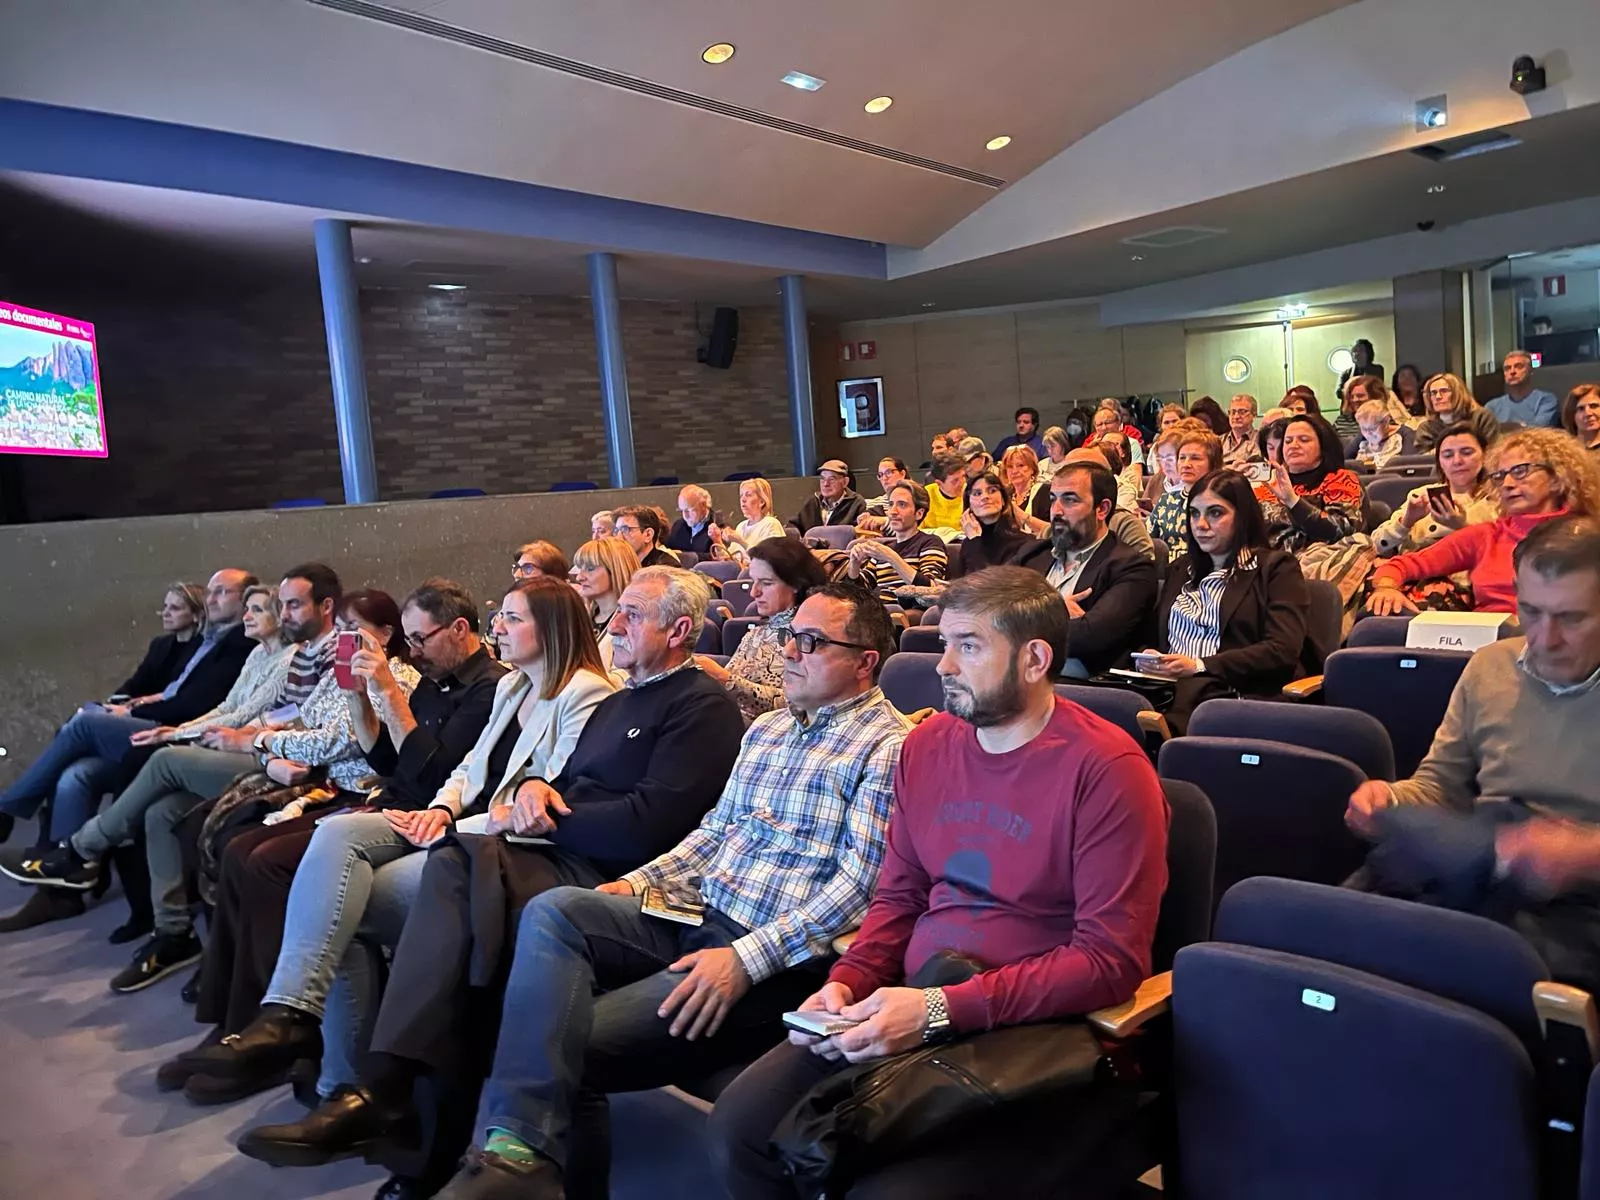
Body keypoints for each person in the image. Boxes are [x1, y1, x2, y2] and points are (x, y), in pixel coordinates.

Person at [266, 585, 912, 1196]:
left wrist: (743, 959)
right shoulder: (770, 729)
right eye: (790, 636)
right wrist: (634, 884)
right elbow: (714, 833)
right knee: (556, 911)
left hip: (765, 954)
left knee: (556, 1036)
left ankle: (512, 1157)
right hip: (691, 912)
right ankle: (468, 1138)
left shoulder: (887, 747)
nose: (789, 652)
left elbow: (860, 886)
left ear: (865, 663)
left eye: (811, 642)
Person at [236, 567, 745, 1194]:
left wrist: (539, 815)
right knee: (450, 883)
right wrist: (533, 794)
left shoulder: (700, 706)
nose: (614, 623)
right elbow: (558, 783)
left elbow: (647, 826)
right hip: (546, 850)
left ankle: (392, 1100)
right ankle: (381, 1095)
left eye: (632, 614)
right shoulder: (619, 702)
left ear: (681, 630)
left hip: (607, 875)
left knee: (462, 902)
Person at [711, 566, 1169, 1199]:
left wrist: (937, 1009)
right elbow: (900, 896)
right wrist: (846, 983)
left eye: (969, 646)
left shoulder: (1108, 769)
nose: (944, 666)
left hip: (1039, 1036)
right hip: (917, 998)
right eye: (946, 644)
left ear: (1035, 659)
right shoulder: (926, 745)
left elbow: (1109, 962)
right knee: (741, 1129)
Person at [167, 577, 607, 1105]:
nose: (500, 627)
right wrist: (440, 806)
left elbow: (534, 798)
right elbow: (462, 771)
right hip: (433, 811)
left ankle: (339, 1082)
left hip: (497, 841)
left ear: (552, 627)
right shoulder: (515, 685)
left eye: (513, 618)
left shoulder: (572, 691)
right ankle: (287, 1012)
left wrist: (445, 817)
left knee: (322, 894)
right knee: (323, 837)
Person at [3, 566, 342, 984]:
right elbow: (245, 712)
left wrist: (214, 736)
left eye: (285, 606)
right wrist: (188, 732)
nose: (278, 614)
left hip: (277, 763)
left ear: (325, 607)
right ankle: (173, 931)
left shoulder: (314, 654)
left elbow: (288, 725)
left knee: (159, 759)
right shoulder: (280, 654)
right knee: (157, 811)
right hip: (258, 748)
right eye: (280, 605)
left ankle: (79, 850)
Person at [1346, 516, 1600, 991]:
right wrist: (1389, 798)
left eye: (1571, 618)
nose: (1545, 638)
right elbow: (1438, 785)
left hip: (1581, 903)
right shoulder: (1491, 666)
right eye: (1531, 611)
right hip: (1487, 866)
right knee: (1347, 932)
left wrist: (1585, 853)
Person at [0, 568, 257, 846]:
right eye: (209, 592)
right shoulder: (208, 640)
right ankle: (64, 858)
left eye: (221, 592)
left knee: (84, 723)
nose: (211, 599)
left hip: (178, 731)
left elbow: (197, 704)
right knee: (76, 774)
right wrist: (126, 704)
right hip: (163, 722)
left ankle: (8, 809)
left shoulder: (241, 643)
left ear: (245, 600)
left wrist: (133, 711)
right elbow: (160, 689)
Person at [1132, 470, 1315, 733]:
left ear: (1243, 517)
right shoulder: (1181, 569)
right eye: (1194, 513)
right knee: (1116, 701)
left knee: (1188, 695)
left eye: (1215, 513)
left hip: (1231, 689)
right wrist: (1149, 656)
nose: (1201, 524)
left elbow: (1281, 651)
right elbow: (1151, 637)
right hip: (1168, 686)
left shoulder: (1277, 569)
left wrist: (1199, 665)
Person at [1368, 427, 1600, 616]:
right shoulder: (1487, 535)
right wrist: (1386, 588)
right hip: (1489, 645)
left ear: (1558, 477)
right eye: (1500, 475)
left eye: (1520, 471)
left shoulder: (1590, 536)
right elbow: (1400, 565)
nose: (1507, 484)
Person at [1043, 462, 1158, 677]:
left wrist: (1014, 623)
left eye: (1069, 500)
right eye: (1053, 499)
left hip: (1077, 684)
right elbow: (986, 608)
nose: (1056, 511)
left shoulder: (1132, 568)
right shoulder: (1034, 553)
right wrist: (1051, 608)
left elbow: (1089, 638)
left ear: (1102, 509)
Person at [697, 537, 829, 723]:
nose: (754, 592)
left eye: (766, 583)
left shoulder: (812, 639)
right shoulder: (755, 634)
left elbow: (799, 706)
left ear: (796, 584)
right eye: (753, 581)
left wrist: (723, 678)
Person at [1372, 426, 1499, 559]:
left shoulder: (1498, 498)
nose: (1457, 461)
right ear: (1440, 462)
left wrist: (1461, 527)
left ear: (1485, 456)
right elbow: (1376, 546)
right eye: (1448, 455)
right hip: (1417, 566)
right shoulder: (1422, 495)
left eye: (1467, 453)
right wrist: (1406, 522)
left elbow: (1504, 553)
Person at [1252, 413, 1363, 555]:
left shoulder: (1341, 479)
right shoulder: (1272, 482)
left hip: (1318, 559)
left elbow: (1343, 530)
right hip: (1267, 560)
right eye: (1288, 441)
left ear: (1323, 446)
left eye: (1304, 440)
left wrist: (1293, 501)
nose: (1294, 445)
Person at [846, 481, 949, 604]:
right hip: (881, 610)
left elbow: (930, 589)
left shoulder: (930, 543)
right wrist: (854, 564)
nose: (893, 511)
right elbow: (858, 593)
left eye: (902, 505)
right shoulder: (884, 549)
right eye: (891, 504)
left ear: (919, 513)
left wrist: (891, 557)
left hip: (911, 610)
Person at [953, 470, 1051, 577]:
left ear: (1003, 499)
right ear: (969, 504)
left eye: (992, 490)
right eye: (977, 493)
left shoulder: (1024, 544)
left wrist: (974, 542)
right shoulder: (969, 543)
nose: (985, 497)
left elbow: (990, 583)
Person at [1149, 428, 1222, 555]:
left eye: (1195, 458)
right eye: (1182, 458)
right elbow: (1146, 543)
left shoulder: (1224, 501)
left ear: (1213, 463)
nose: (1186, 464)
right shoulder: (1166, 500)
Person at [1415, 372, 1501, 452]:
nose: (1438, 396)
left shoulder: (1482, 418)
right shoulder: (1426, 428)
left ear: (1458, 393)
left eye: (1444, 391)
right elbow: (1422, 459)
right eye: (1433, 393)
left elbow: (1493, 451)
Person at [1485, 350, 1561, 429]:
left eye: (1519, 366)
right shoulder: (1492, 406)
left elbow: (1538, 432)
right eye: (1507, 368)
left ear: (1531, 370)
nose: (1512, 372)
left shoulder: (1545, 400)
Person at [723, 476, 787, 566]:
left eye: (748, 495)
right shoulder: (741, 526)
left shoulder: (771, 524)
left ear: (762, 502)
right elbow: (730, 558)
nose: (743, 500)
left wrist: (740, 541)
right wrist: (717, 539)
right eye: (741, 495)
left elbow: (767, 560)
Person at [792, 460, 867, 535]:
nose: (826, 484)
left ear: (845, 482)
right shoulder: (813, 502)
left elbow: (862, 533)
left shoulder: (856, 503)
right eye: (822, 478)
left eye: (831, 479)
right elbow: (793, 525)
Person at [611, 505, 678, 568]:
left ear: (648, 535)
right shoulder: (621, 565)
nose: (618, 537)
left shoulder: (666, 569)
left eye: (625, 529)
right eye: (616, 530)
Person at [921, 451, 967, 534]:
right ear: (939, 483)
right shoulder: (924, 496)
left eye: (963, 476)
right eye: (955, 480)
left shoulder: (971, 493)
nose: (962, 482)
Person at [1353, 399, 1405, 469]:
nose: (1368, 433)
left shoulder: (1399, 438)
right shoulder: (1363, 442)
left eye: (1373, 428)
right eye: (1364, 429)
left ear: (1386, 421)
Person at [667, 485, 718, 556]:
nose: (685, 516)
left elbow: (717, 557)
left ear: (703, 505)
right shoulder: (678, 526)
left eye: (688, 510)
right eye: (681, 510)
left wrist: (686, 557)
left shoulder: (718, 526)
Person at [999, 444, 1044, 513]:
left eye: (1020, 465)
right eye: (1010, 466)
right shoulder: (1005, 495)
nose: (1014, 471)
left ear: (1032, 468)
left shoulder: (1043, 492)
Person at [1223, 394, 1262, 469]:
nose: (1236, 416)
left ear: (1254, 414)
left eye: (1242, 412)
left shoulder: (1261, 439)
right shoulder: (1218, 442)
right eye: (1233, 412)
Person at [1562, 384, 1600, 453]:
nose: (1588, 413)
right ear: (1572, 415)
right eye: (1581, 409)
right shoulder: (1561, 450)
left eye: (1594, 406)